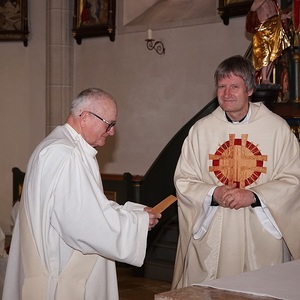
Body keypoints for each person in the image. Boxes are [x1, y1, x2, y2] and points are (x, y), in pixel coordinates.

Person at [2, 88, 161, 300]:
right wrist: (136, 223)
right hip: (60, 274)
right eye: (109, 124)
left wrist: (133, 212)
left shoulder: (68, 149)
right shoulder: (64, 154)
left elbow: (89, 206)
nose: (112, 131)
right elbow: (82, 223)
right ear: (86, 118)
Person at [171, 55, 300, 289]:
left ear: (250, 89)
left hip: (260, 231)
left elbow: (293, 179)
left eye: (234, 86)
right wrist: (213, 192)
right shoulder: (201, 131)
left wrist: (254, 195)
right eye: (221, 86)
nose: (227, 93)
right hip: (213, 231)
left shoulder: (277, 129)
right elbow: (184, 180)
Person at [250, 0, 290, 84]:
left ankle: (267, 78)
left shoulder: (273, 2)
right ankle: (264, 78)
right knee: (266, 53)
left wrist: (286, 16)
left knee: (273, 55)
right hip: (264, 29)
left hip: (274, 29)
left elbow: (277, 15)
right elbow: (253, 8)